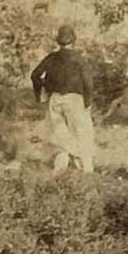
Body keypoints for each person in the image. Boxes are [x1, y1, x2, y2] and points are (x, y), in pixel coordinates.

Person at [31, 24, 96, 175]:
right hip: (75, 100)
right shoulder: (79, 59)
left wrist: (39, 95)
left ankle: (60, 169)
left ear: (58, 41)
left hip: (56, 99)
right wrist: (88, 103)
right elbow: (88, 83)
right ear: (74, 41)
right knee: (82, 133)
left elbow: (35, 75)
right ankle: (86, 170)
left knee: (60, 134)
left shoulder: (52, 58)